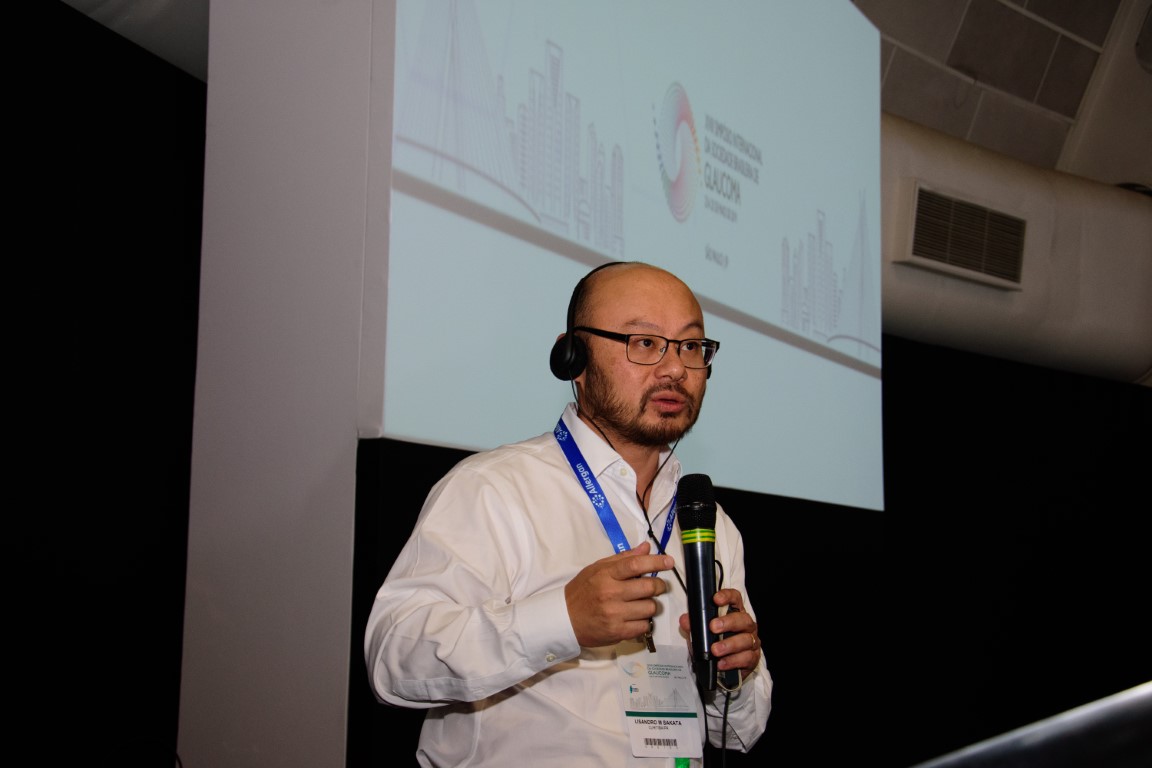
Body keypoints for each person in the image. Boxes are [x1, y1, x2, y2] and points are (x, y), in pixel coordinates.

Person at [364, 261, 772, 766]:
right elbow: (392, 659)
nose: (675, 369)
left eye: (690, 346)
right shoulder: (494, 488)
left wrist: (736, 675)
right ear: (573, 357)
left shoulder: (709, 523)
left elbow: (740, 733)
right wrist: (563, 619)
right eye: (645, 343)